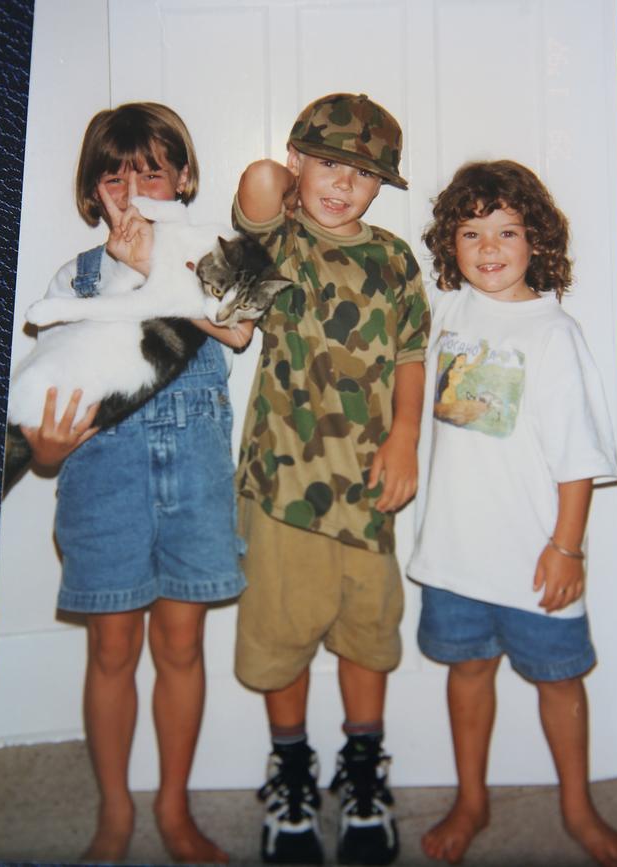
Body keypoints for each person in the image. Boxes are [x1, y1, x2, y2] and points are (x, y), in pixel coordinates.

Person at [19, 102, 251, 864]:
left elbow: (240, 322)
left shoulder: (213, 253)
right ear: (93, 190)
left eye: (151, 166)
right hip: (102, 482)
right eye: (113, 171)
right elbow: (51, 391)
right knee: (112, 649)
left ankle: (175, 809)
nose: (131, 183)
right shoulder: (75, 277)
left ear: (182, 179)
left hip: (196, 480)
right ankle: (115, 813)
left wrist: (158, 260)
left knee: (181, 645)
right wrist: (44, 450)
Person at [407, 159, 617, 866]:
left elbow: (578, 459)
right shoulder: (446, 313)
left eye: (506, 231)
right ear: (451, 242)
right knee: (467, 673)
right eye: (471, 231)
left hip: (538, 561)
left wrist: (567, 548)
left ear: (536, 239)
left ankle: (578, 807)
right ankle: (471, 797)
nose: (488, 248)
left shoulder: (553, 333)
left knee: (559, 680)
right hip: (452, 555)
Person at [231, 92, 429, 865]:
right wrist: (275, 173)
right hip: (284, 485)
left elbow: (413, 352)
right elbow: (252, 188)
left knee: (367, 635)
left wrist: (407, 436)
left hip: (368, 485)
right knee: (280, 635)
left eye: (363, 172)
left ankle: (362, 769)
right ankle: (289, 770)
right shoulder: (274, 242)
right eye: (328, 163)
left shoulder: (392, 258)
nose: (343, 183)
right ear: (297, 161)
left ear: (383, 187)